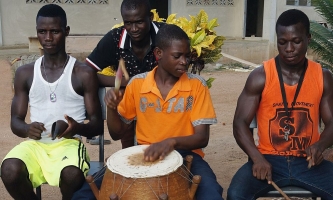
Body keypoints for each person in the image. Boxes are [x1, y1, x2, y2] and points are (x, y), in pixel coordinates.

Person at [102, 24, 223, 200]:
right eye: (177, 56)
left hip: (187, 154)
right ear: (158, 54)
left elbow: (202, 138)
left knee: (211, 193)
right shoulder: (138, 84)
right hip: (145, 153)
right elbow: (116, 133)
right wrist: (111, 108)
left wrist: (171, 142)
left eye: (187, 56)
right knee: (88, 192)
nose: (184, 61)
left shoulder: (197, 85)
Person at [227, 9, 333, 199]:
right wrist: (257, 158)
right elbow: (240, 123)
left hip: (308, 161)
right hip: (268, 159)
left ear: (308, 38)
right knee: (236, 194)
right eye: (282, 42)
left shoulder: (322, 77)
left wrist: (320, 145)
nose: (289, 48)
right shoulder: (260, 76)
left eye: (296, 41)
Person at [0, 4, 103, 200]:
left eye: (54, 31)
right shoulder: (25, 73)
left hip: (69, 145)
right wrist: (26, 129)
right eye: (42, 32)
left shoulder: (82, 73)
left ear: (66, 31)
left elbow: (97, 125)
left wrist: (76, 127)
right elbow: (15, 121)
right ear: (37, 32)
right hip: (37, 146)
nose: (48, 38)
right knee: (9, 169)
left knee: (71, 174)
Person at [85, 0, 164, 147]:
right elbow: (86, 73)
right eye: (128, 23)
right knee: (121, 94)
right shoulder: (115, 39)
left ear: (151, 17)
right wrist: (123, 82)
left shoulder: (166, 35)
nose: (133, 29)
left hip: (161, 100)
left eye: (139, 22)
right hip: (128, 102)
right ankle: (128, 153)